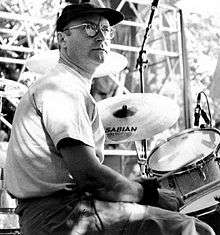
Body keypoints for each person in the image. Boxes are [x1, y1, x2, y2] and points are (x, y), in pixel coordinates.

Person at [5, 2, 215, 235]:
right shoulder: (62, 87)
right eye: (89, 28)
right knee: (192, 228)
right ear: (63, 39)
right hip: (62, 215)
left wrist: (137, 187)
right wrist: (150, 195)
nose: (101, 36)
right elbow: (91, 178)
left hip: (60, 213)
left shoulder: (67, 86)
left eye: (106, 30)